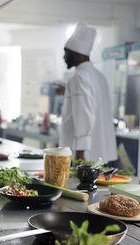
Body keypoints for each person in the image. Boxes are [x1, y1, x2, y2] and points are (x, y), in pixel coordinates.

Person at [56, 21, 117, 164]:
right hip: (99, 152)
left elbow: (84, 113)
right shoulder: (98, 76)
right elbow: (90, 103)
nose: (64, 56)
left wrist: (80, 151)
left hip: (84, 155)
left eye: (66, 52)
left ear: (77, 54)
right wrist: (68, 94)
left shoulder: (79, 78)